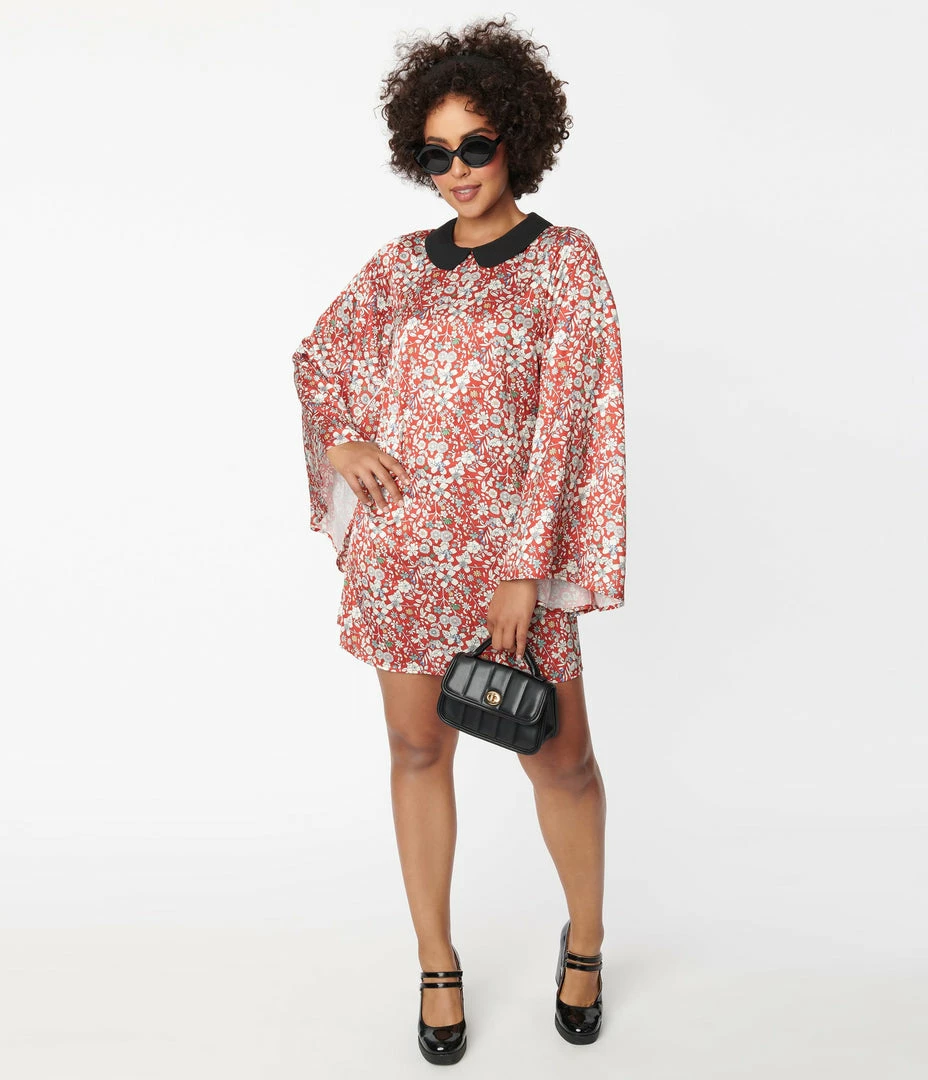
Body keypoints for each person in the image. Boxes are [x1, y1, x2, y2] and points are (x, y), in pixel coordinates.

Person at [291, 16, 625, 1064]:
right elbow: (318, 358)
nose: (458, 170)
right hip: (403, 557)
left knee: (560, 760)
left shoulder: (565, 263)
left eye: (475, 145)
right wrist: (341, 438)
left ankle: (585, 940)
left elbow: (570, 423)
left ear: (517, 137)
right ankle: (436, 962)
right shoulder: (400, 266)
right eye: (436, 154)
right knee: (415, 748)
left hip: (508, 566)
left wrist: (525, 569)